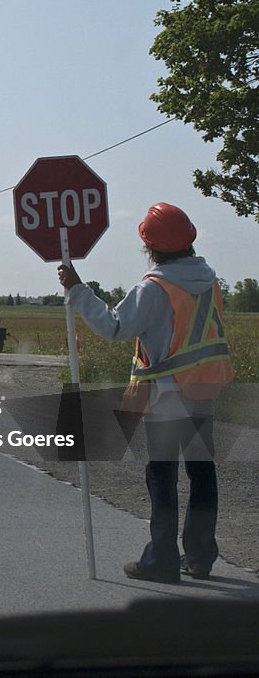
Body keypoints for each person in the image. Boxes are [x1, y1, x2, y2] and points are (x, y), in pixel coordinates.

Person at [58, 202, 233, 584]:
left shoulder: (155, 288)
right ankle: (201, 556)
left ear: (150, 246)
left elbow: (116, 326)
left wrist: (78, 290)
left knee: (162, 475)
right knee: (202, 473)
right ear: (188, 240)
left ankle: (162, 561)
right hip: (204, 389)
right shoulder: (210, 281)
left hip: (169, 394)